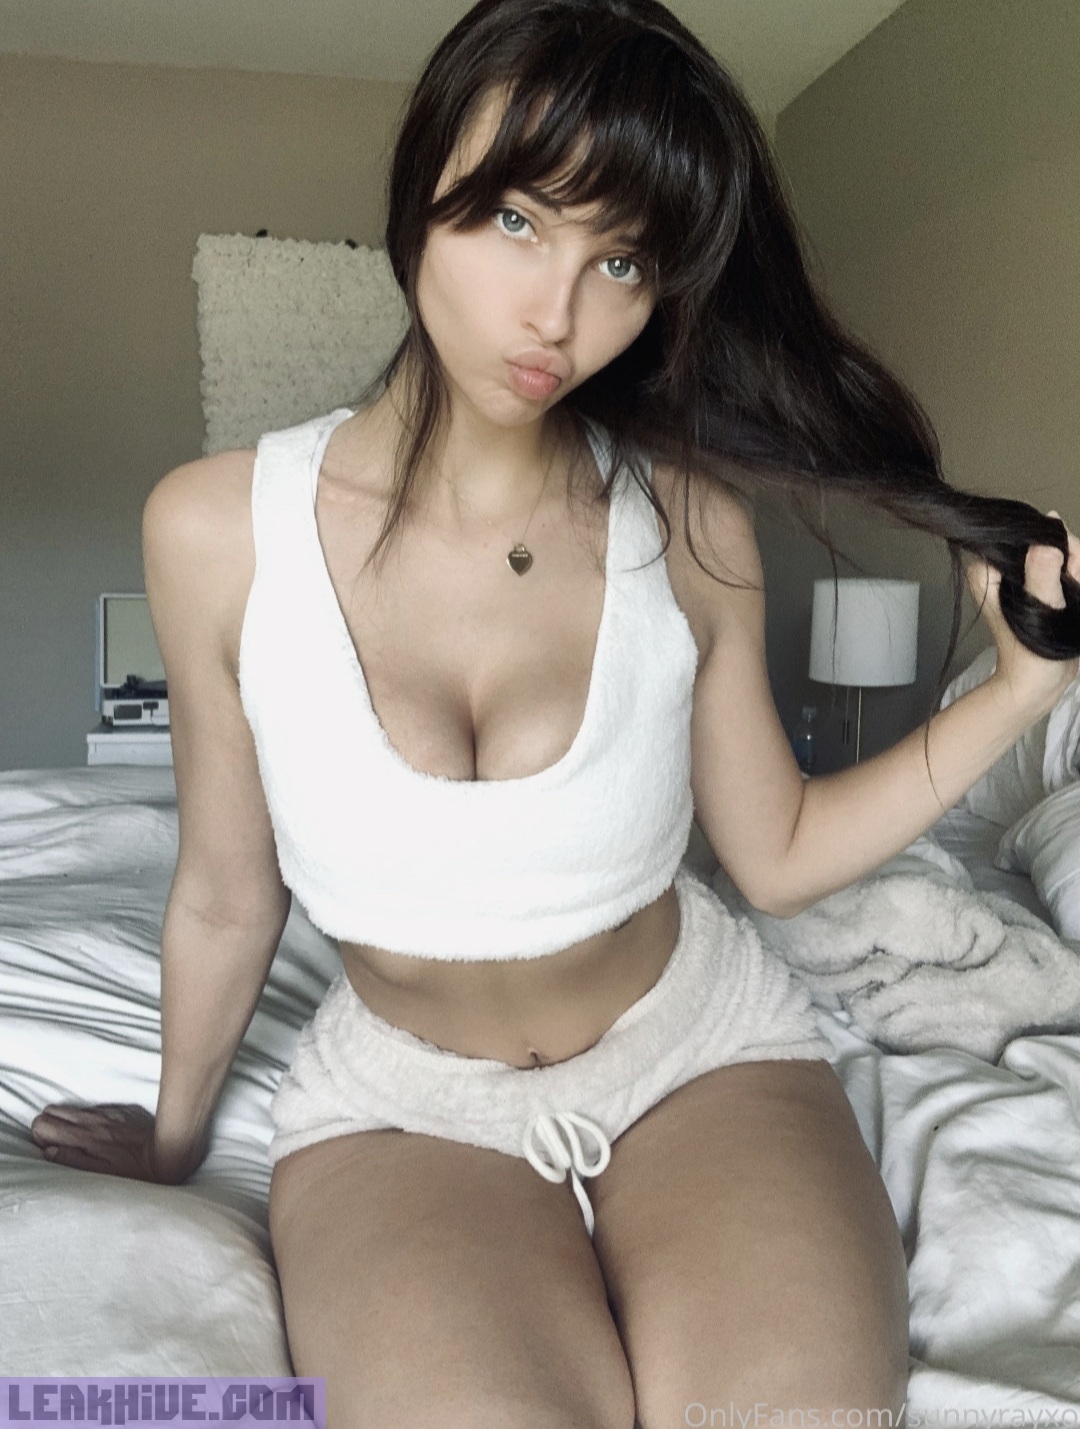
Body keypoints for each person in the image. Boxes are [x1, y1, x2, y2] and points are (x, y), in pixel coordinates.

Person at [31, 0, 1080, 1424]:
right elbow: (226, 891)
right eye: (516, 219)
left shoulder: (690, 523)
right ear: (422, 194)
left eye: (622, 259)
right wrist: (170, 1139)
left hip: (698, 1052)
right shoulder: (217, 529)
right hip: (405, 1102)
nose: (558, 314)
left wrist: (1022, 689)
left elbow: (775, 856)